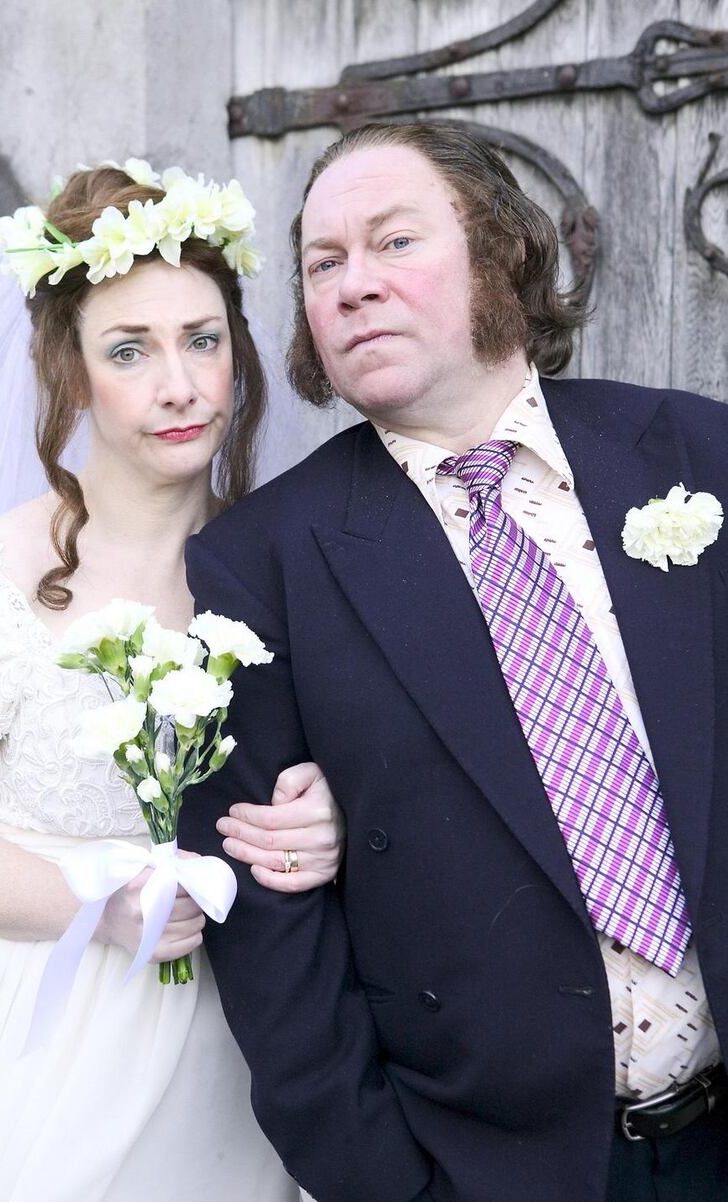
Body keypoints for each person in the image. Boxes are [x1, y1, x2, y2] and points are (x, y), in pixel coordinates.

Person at [182, 122, 728, 1202]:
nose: (352, 285)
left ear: (502, 253)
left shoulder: (698, 454)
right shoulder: (260, 562)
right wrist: (390, 1184)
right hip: (496, 1168)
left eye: (393, 242)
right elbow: (268, 926)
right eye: (323, 264)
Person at [0, 160, 345, 1202]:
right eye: (129, 350)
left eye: (202, 340)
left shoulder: (296, 564)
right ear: (69, 374)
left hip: (256, 1037)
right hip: (51, 1030)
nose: (179, 386)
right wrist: (100, 906)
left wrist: (327, 814)